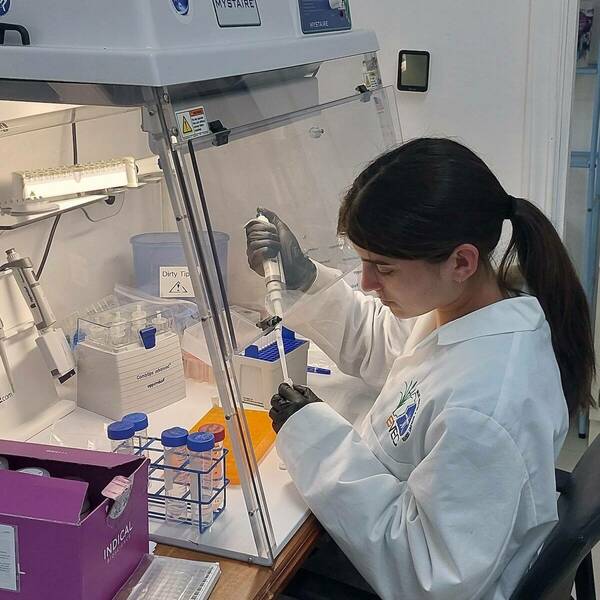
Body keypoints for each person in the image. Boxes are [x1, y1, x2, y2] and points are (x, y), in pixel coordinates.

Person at [245, 138, 595, 600]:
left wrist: (317, 443)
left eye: (382, 269)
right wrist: (307, 281)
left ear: (461, 261)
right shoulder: (467, 308)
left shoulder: (487, 405)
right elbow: (388, 347)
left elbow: (427, 575)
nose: (367, 285)